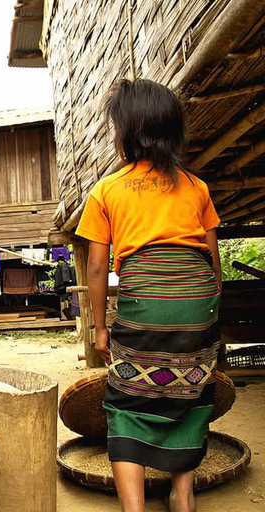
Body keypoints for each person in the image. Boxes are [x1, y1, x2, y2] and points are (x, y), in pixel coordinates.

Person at [76, 79, 222, 512]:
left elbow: (97, 267)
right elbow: (213, 262)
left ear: (126, 135)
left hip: (146, 301)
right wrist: (206, 323)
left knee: (126, 397)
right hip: (198, 300)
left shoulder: (107, 190)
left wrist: (100, 328)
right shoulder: (196, 187)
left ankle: (134, 508)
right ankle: (182, 494)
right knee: (192, 391)